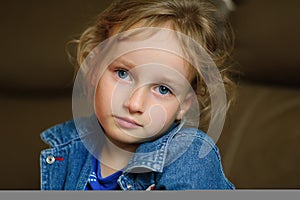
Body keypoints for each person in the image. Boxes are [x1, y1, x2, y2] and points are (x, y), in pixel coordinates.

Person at [40, 0, 236, 190]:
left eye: (163, 89)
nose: (134, 104)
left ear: (184, 106)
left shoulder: (190, 156)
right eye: (122, 74)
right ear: (93, 69)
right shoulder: (68, 147)